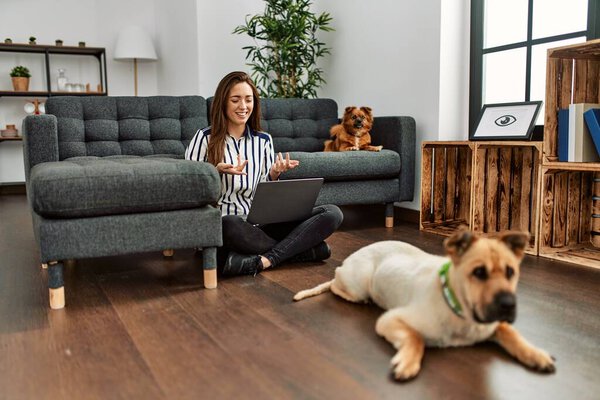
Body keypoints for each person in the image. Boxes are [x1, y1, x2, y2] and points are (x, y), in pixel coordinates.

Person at [185, 71, 343, 276]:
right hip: (228, 227)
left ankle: (265, 260)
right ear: (223, 103)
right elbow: (187, 185)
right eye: (235, 100)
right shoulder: (204, 137)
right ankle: (302, 251)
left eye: (248, 100)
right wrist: (213, 172)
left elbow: (264, 192)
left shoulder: (264, 140)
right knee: (230, 223)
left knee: (332, 213)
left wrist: (274, 175)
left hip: (260, 226)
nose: (243, 107)